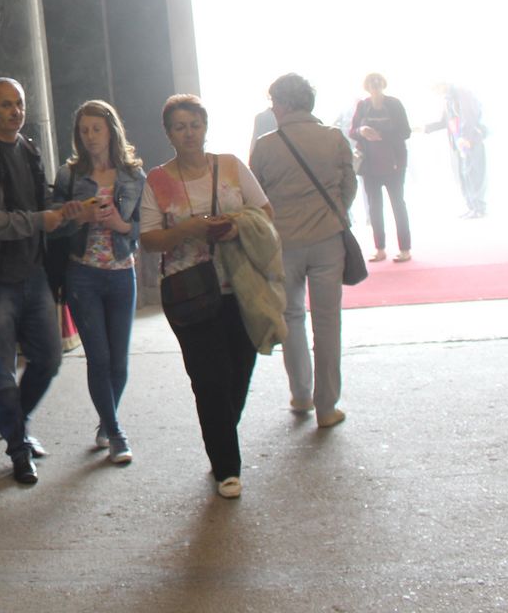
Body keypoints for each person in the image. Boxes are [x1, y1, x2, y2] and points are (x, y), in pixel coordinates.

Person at [139, 94, 272, 499]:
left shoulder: (230, 165)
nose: (188, 133)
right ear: (168, 133)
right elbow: (149, 240)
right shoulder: (157, 180)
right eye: (179, 127)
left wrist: (234, 227)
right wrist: (188, 230)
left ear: (205, 127)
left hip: (240, 284)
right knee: (209, 378)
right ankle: (227, 467)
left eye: (194, 125)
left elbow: (264, 212)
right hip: (189, 290)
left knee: (239, 369)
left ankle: (220, 434)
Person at [0, 77, 74, 486]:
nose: (15, 111)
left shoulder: (29, 148)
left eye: (19, 103)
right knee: (1, 373)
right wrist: (40, 220)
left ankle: (15, 425)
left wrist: (66, 211)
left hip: (33, 272)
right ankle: (18, 450)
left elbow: (40, 203)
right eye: (5, 105)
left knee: (49, 360)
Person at [250, 73, 357, 431]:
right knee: (327, 321)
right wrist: (332, 213)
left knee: (292, 317)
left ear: (282, 104)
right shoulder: (334, 138)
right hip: (327, 240)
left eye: (274, 103)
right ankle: (327, 407)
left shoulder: (265, 146)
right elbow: (348, 186)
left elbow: (257, 197)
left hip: (284, 243)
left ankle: (300, 394)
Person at [49, 100, 145, 466]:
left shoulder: (133, 175)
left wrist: (121, 225)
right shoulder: (69, 175)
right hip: (83, 274)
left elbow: (144, 226)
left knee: (119, 362)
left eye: (96, 129)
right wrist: (79, 217)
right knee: (99, 358)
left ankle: (106, 421)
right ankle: (116, 432)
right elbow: (54, 226)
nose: (90, 137)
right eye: (84, 130)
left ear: (111, 131)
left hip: (121, 272)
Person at [349, 73, 413, 262]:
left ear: (383, 85)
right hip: (369, 165)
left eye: (377, 84)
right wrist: (362, 131)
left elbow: (406, 132)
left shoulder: (394, 104)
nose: (375, 88)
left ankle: (405, 248)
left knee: (398, 204)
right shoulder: (362, 106)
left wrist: (381, 133)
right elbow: (352, 131)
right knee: (374, 207)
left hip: (394, 163)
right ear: (366, 87)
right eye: (371, 84)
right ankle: (380, 248)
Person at [422, 82, 489, 218]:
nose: (436, 91)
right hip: (460, 142)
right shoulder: (447, 99)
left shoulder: (462, 93)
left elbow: (469, 116)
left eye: (436, 87)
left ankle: (479, 208)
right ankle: (472, 207)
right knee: (465, 176)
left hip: (470, 141)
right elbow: (445, 121)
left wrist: (465, 137)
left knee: (474, 174)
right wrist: (425, 128)